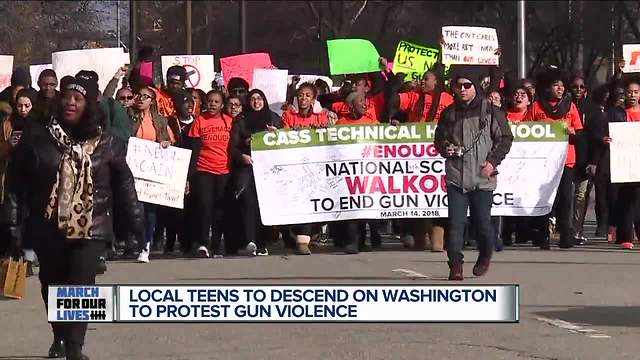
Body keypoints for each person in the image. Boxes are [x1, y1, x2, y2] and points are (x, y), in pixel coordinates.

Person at [5, 74, 144, 360]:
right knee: (52, 282)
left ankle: (75, 347)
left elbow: (124, 183)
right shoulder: (37, 137)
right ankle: (59, 334)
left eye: (77, 98)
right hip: (48, 225)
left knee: (81, 283)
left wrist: (135, 223)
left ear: (88, 106)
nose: (70, 102)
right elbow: (16, 183)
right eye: (66, 96)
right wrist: (11, 223)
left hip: (92, 226)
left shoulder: (107, 142)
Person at [434, 65, 513, 281]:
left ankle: (485, 254)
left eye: (467, 85)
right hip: (456, 176)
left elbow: (505, 138)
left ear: (475, 87)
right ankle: (455, 266)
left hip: (482, 177)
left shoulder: (490, 111)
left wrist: (492, 162)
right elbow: (438, 138)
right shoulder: (449, 113)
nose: (462, 90)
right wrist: (445, 148)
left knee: (482, 224)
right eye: (458, 86)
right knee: (455, 224)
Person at [526, 67, 585, 249]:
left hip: (566, 160)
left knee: (566, 199)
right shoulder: (536, 107)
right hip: (544, 161)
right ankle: (542, 234)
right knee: (545, 198)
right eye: (555, 85)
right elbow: (526, 131)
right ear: (547, 88)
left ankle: (565, 236)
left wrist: (573, 133)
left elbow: (581, 133)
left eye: (562, 86)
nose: (559, 89)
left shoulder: (571, 106)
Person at [230, 89, 283, 256]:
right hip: (248, 167)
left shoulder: (274, 118)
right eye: (252, 99)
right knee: (248, 203)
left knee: (265, 204)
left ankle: (262, 243)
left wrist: (277, 134)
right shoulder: (242, 119)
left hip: (269, 169)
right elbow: (233, 146)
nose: (256, 102)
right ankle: (250, 240)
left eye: (259, 98)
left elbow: (286, 141)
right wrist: (243, 154)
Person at [281, 83, 329, 254]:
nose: (303, 99)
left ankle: (308, 236)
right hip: (294, 167)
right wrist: (291, 132)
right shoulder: (288, 116)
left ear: (313, 99)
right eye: (301, 95)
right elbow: (282, 136)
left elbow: (327, 139)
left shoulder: (320, 117)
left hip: (314, 167)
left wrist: (321, 130)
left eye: (308, 95)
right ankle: (297, 237)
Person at [130, 86, 175, 262]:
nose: (141, 99)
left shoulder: (160, 120)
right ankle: (134, 240)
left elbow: (169, 141)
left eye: (145, 96)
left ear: (152, 101)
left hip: (151, 171)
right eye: (138, 95)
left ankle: (145, 244)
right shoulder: (129, 116)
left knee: (149, 210)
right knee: (134, 209)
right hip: (131, 169)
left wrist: (165, 143)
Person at [188, 90, 235, 258]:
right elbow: (193, 150)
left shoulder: (230, 121)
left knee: (220, 209)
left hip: (224, 171)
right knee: (204, 207)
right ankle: (203, 244)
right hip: (203, 171)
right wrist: (189, 177)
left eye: (216, 101)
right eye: (210, 101)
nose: (213, 104)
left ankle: (217, 244)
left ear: (222, 105)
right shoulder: (199, 121)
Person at [0, 88, 38, 257]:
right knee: (12, 215)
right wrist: (9, 144)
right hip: (13, 174)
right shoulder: (9, 124)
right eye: (20, 106)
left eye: (27, 106)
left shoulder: (40, 124)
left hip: (34, 176)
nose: (23, 109)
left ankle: (30, 251)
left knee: (31, 213)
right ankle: (16, 249)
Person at [607, 77, 640, 249]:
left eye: (636, 92)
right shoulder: (617, 113)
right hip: (626, 163)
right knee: (626, 198)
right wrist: (607, 138)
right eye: (629, 92)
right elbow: (609, 130)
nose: (632, 95)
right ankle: (626, 236)